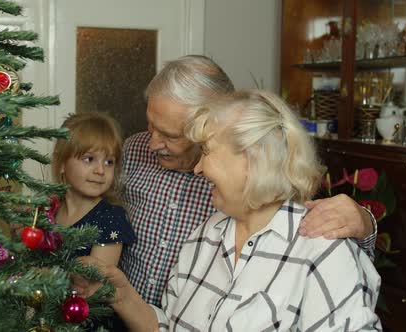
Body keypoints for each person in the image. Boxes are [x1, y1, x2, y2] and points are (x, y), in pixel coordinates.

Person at [81, 90, 381, 331]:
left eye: (207, 152)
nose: (197, 168)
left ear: (252, 158)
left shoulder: (322, 248)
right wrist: (120, 294)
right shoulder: (205, 235)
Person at [119, 55, 377, 308]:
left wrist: (363, 224)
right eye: (151, 125)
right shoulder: (133, 150)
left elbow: (308, 245)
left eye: (170, 135)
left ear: (213, 125)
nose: (152, 143)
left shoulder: (250, 185)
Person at [51, 112, 135, 265]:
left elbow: (95, 284)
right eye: (89, 159)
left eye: (109, 162)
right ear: (62, 163)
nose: (101, 170)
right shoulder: (50, 209)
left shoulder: (110, 218)